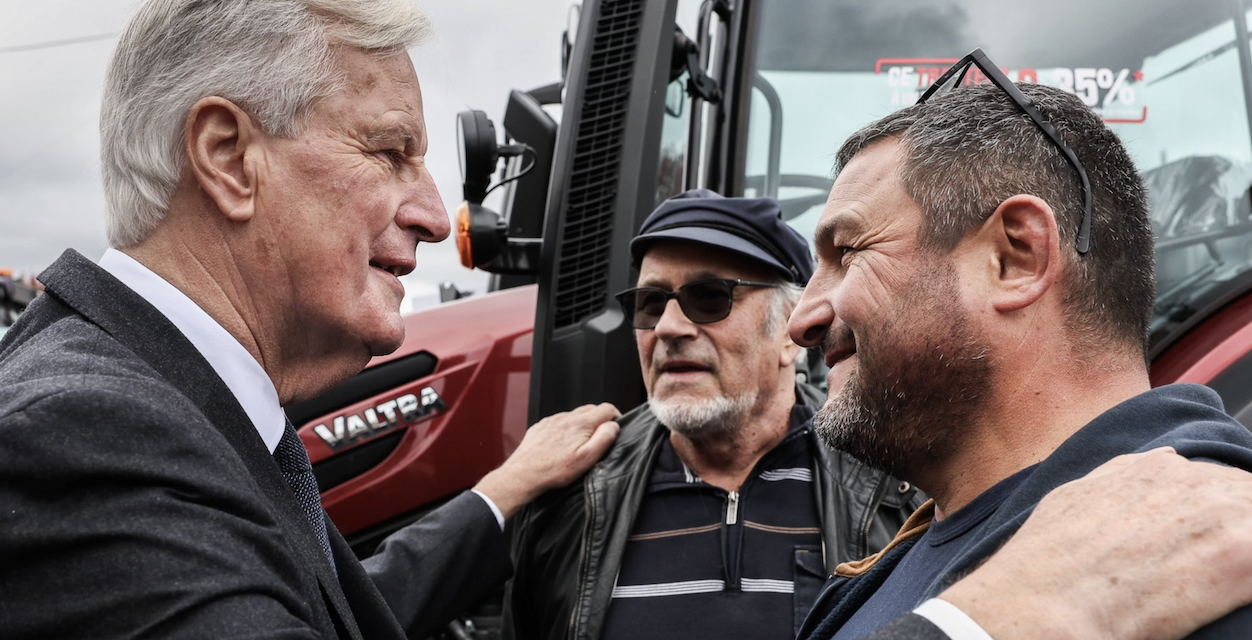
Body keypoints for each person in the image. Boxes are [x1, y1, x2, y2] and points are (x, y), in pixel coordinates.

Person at [0, 1, 618, 639]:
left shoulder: (163, 409)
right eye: (388, 152)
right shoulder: (89, 440)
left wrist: (501, 497)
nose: (436, 217)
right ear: (229, 158)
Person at [785, 55, 1252, 640]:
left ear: (1015, 258)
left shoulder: (1215, 551)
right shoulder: (878, 581)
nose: (800, 320)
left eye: (847, 252)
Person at [506, 190, 924, 640]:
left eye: (708, 297)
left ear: (790, 330)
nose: (667, 327)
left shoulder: (896, 485)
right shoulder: (570, 496)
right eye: (650, 303)